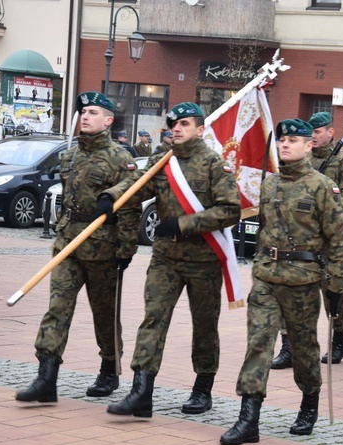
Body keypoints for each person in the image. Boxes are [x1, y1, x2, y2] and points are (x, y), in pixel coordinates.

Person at [103, 102, 241, 418]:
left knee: (204, 326)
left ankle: (202, 388)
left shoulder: (214, 165)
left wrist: (182, 224)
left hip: (203, 260)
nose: (176, 129)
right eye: (173, 124)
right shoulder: (162, 160)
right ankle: (141, 392)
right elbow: (136, 186)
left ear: (200, 129)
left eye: (185, 124)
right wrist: (110, 197)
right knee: (154, 318)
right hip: (166, 258)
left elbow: (229, 210)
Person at [220, 119, 343, 445]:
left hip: (303, 283)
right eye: (282, 140)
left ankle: (309, 403)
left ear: (309, 146)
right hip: (266, 279)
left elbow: (339, 239)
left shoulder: (323, 186)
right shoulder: (269, 185)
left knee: (305, 350)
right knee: (259, 345)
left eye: (294, 140)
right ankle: (248, 418)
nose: (285, 145)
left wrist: (336, 286)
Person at [15, 91, 140, 404]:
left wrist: (125, 250)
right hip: (68, 243)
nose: (85, 116)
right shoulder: (69, 155)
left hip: (102, 248)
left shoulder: (120, 158)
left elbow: (130, 207)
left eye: (94, 112)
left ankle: (109, 368)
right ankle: (46, 377)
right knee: (57, 308)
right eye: (83, 111)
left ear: (108, 120)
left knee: (104, 314)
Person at [308, 111, 343, 364]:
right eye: (311, 132)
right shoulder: (303, 158)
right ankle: (289, 344)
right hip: (304, 238)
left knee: (331, 291)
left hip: (330, 237)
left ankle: (339, 340)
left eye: (318, 132)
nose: (313, 136)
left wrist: (319, 213)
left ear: (330, 132)